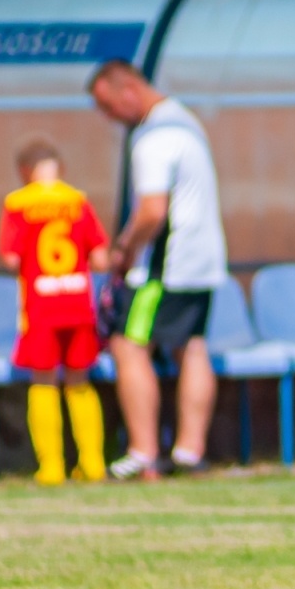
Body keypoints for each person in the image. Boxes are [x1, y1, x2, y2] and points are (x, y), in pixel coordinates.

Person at [87, 59, 225, 479]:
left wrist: (124, 249)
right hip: (202, 261)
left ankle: (143, 453)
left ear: (128, 89)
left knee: (128, 345)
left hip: (165, 266)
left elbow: (151, 211)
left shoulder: (154, 137)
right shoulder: (185, 122)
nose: (109, 118)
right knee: (192, 346)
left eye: (108, 107)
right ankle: (189, 452)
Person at [0, 139, 110, 485]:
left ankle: (51, 466)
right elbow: (101, 256)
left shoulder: (18, 205)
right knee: (80, 381)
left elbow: (11, 259)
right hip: (79, 306)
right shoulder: (77, 201)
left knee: (43, 381)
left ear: (24, 172)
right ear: (60, 168)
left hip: (41, 307)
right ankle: (93, 463)